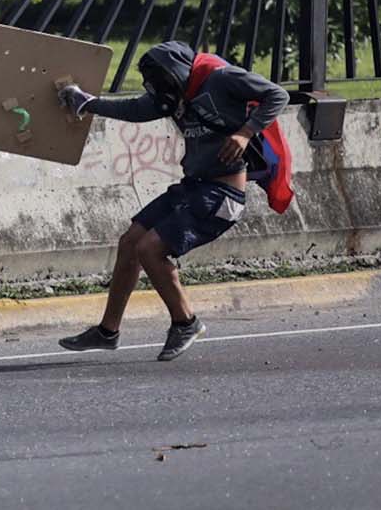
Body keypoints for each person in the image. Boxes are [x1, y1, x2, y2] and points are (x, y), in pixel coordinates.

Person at [56, 41, 289, 361]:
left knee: (150, 249)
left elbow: (277, 94)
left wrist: (246, 132)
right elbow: (135, 110)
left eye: (165, 86)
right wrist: (88, 103)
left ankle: (186, 322)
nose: (163, 96)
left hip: (222, 195)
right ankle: (107, 332)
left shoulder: (221, 79)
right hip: (192, 188)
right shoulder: (174, 97)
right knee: (130, 242)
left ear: (177, 73)